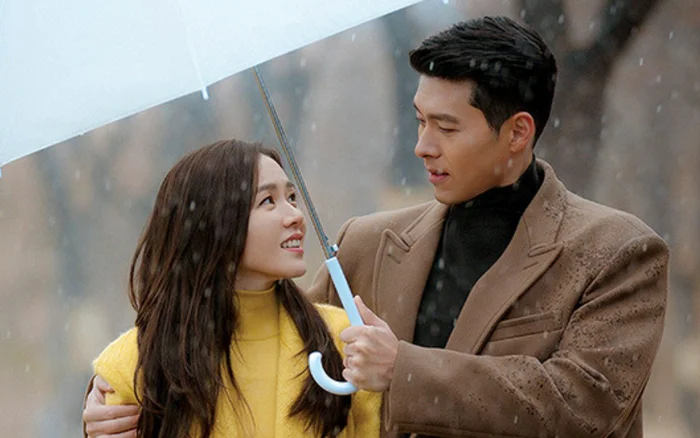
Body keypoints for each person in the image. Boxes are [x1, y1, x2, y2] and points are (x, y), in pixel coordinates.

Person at [84, 16, 669, 438]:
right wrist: (119, 398)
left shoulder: (617, 252)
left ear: (517, 133)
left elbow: (584, 405)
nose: (421, 146)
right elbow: (261, 345)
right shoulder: (366, 244)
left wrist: (404, 370)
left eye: (446, 127)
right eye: (418, 121)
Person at [83, 139, 380, 438]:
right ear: (213, 222)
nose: (296, 216)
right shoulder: (134, 365)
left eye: (291, 198)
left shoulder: (345, 341)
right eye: (268, 201)